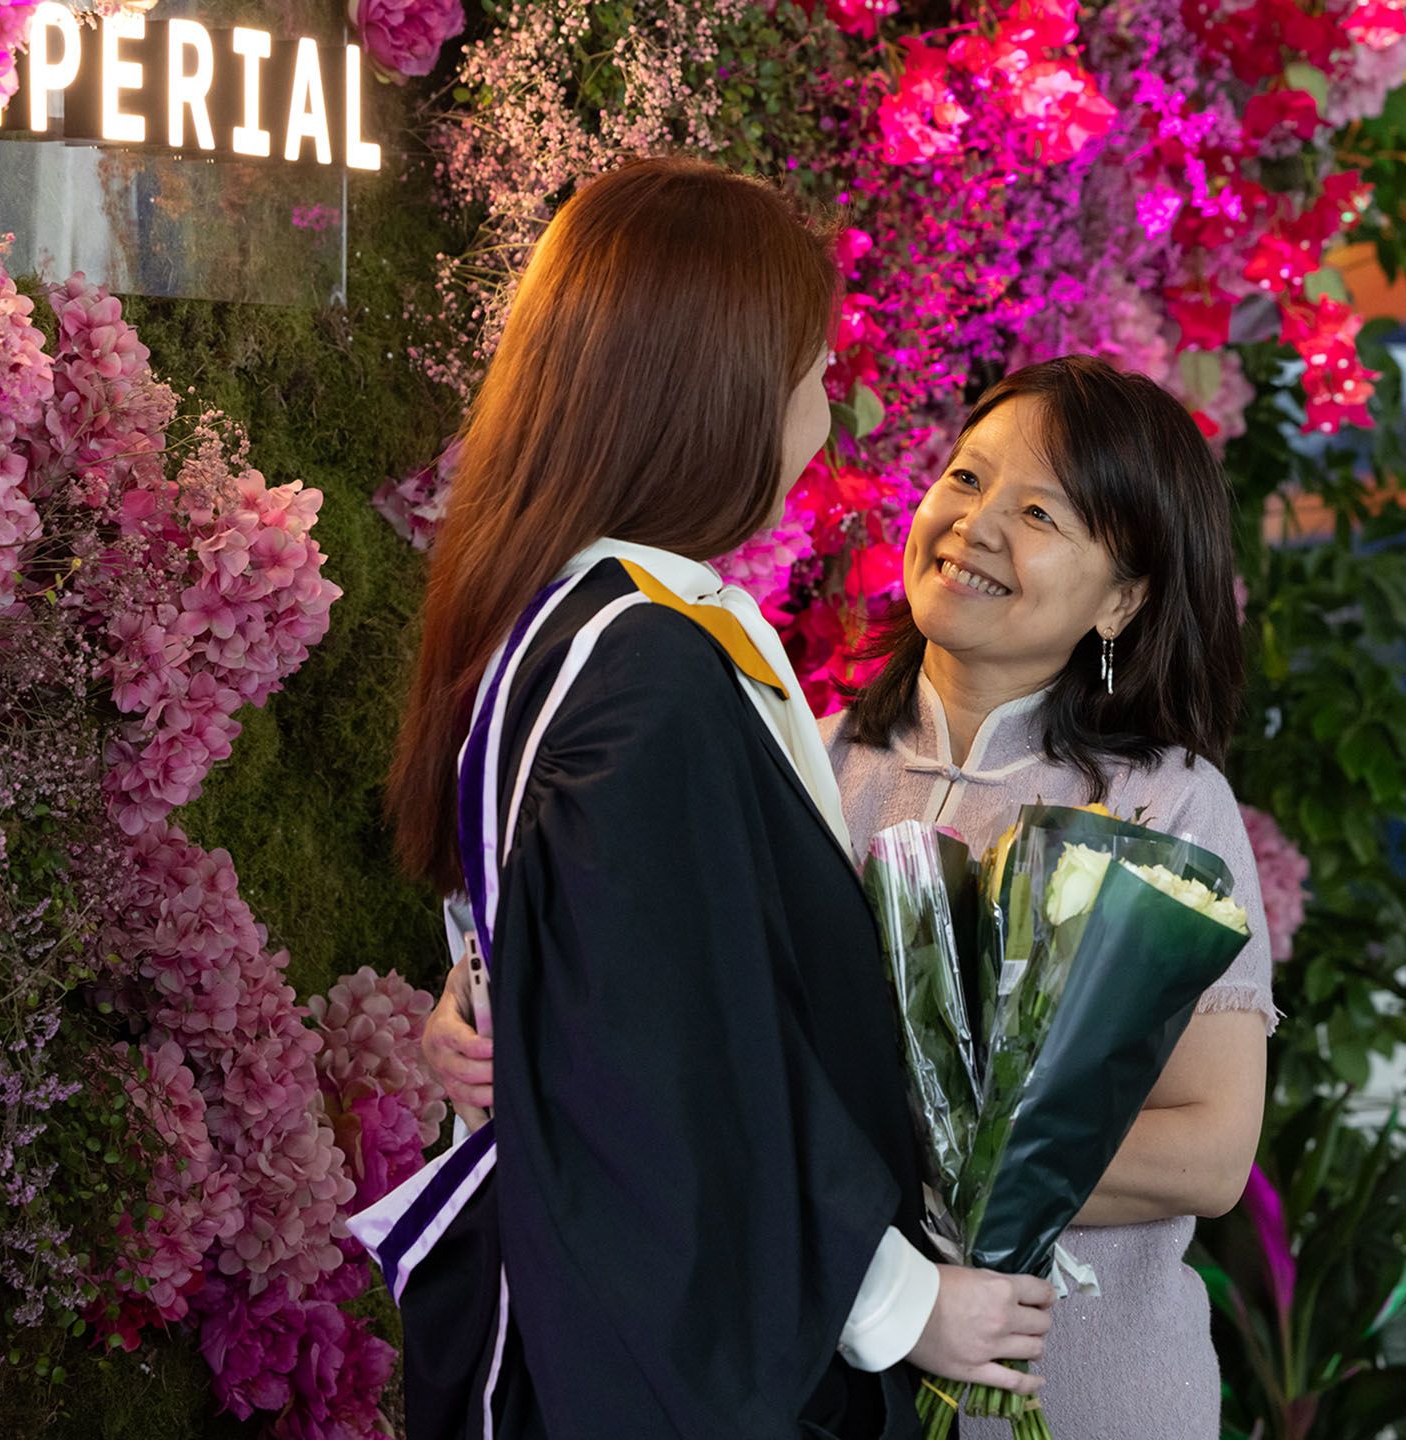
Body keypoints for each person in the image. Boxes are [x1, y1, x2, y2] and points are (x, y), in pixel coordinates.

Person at [424, 355, 1276, 1439]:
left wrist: (919, 1165)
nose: (975, 526)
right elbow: (678, 1030)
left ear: (1124, 597)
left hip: (1090, 1392)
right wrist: (494, 1021)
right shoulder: (802, 763)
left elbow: (1211, 1151)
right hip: (836, 1389)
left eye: (1039, 514)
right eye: (966, 479)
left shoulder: (1168, 806)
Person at [365, 156, 1054, 1440]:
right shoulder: (642, 669)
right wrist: (899, 1302)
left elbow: (605, 985)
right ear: (720, 391)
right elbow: (674, 1063)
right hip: (646, 1358)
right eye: (814, 374)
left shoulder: (578, 624)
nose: (827, 414)